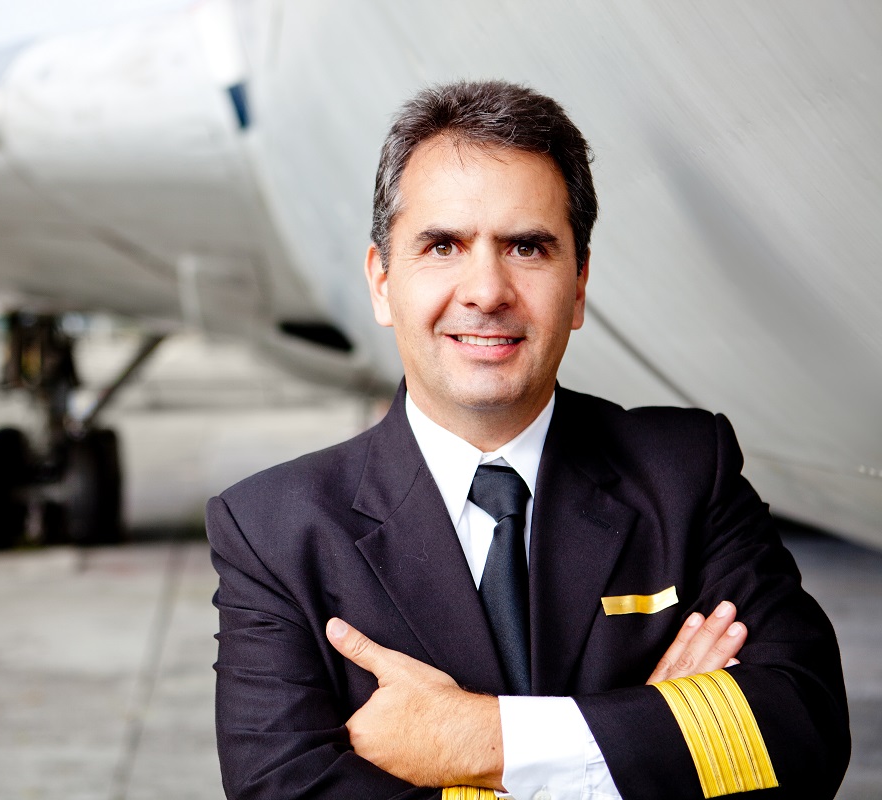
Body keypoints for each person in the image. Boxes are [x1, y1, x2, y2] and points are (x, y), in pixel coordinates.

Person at [207, 80, 849, 800]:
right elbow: (283, 792)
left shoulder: (687, 472)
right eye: (443, 245)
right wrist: (647, 747)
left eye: (527, 247)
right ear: (383, 282)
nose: (486, 290)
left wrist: (480, 741)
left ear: (577, 289)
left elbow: (802, 733)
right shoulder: (273, 529)